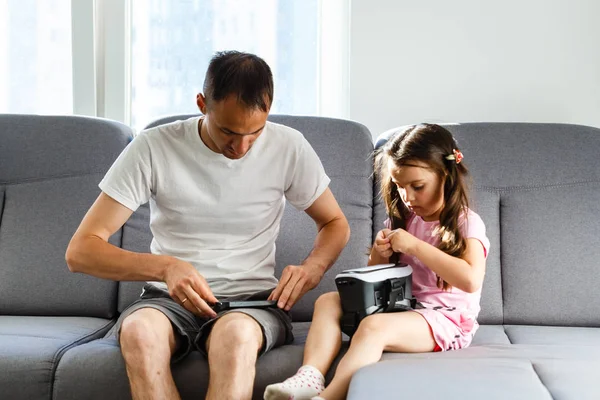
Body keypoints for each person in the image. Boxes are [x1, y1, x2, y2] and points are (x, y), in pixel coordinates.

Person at [65, 50, 350, 400]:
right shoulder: (154, 146)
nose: (241, 147)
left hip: (251, 302)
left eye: (255, 133)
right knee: (139, 332)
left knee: (236, 338)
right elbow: (81, 251)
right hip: (167, 300)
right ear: (202, 103)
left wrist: (313, 268)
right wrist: (166, 267)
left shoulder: (289, 146)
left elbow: (335, 222)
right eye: (228, 131)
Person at [265, 123, 490, 400]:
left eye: (417, 186)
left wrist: (415, 246)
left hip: (446, 320)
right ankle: (310, 376)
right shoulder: (405, 221)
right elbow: (374, 279)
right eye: (400, 186)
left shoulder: (466, 223)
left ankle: (328, 397)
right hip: (402, 308)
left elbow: (470, 280)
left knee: (374, 328)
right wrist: (380, 254)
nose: (407, 197)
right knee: (327, 301)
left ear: (446, 175)